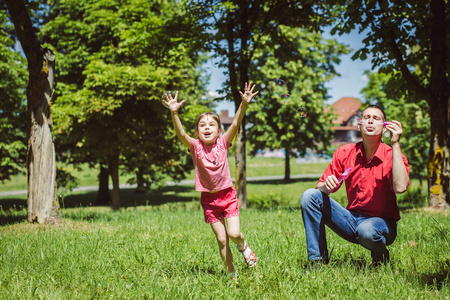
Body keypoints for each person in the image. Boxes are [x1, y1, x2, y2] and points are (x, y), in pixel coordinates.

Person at [163, 82, 259, 278]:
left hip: (228, 196)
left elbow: (235, 123)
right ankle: (232, 275)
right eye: (202, 125)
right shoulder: (196, 147)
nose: (207, 127)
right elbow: (180, 133)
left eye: (212, 124)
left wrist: (244, 104)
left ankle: (243, 246)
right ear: (197, 133)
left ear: (219, 131)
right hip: (209, 200)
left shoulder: (223, 144)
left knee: (233, 235)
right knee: (222, 240)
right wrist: (174, 113)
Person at [300, 105, 410, 267]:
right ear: (359, 125)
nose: (370, 120)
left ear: (384, 127)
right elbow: (319, 190)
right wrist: (326, 185)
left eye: (376, 118)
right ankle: (317, 262)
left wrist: (395, 144)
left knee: (366, 230)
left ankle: (381, 258)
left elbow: (400, 187)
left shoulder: (392, 155)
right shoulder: (344, 153)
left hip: (382, 225)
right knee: (309, 196)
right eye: (366, 117)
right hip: (351, 221)